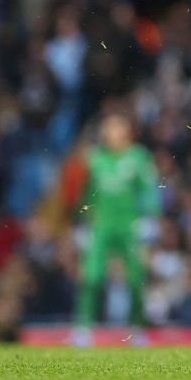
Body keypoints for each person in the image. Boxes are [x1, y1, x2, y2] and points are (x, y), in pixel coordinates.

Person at [69, 113, 159, 347]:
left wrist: (149, 219)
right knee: (90, 276)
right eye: (107, 128)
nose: (111, 133)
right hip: (100, 225)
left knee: (135, 279)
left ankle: (137, 329)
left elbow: (147, 190)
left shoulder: (138, 158)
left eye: (116, 128)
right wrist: (80, 222)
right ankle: (82, 328)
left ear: (127, 132)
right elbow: (87, 194)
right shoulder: (94, 159)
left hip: (129, 225)